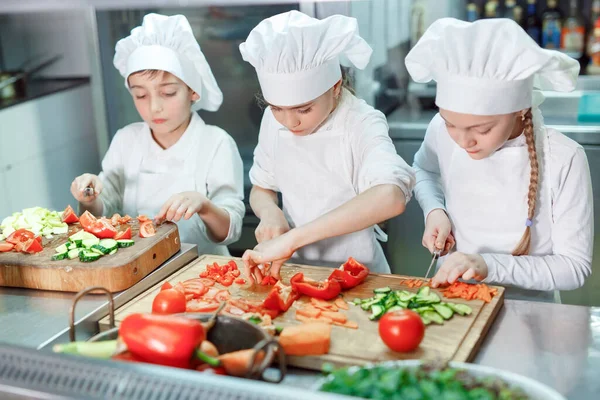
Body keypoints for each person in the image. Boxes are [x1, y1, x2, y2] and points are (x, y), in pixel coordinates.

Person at [407, 18, 593, 302]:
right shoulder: (439, 131)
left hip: (530, 317)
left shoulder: (564, 158)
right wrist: (435, 210)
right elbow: (423, 170)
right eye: (450, 123)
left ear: (520, 109)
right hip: (456, 301)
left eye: (482, 129)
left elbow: (574, 267)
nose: (463, 141)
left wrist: (487, 265)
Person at [239, 11, 415, 283]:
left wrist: (294, 238)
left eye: (304, 108)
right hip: (294, 273)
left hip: (360, 275)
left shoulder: (361, 122)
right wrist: (271, 213)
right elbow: (262, 188)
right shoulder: (273, 122)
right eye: (276, 108)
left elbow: (391, 196)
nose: (289, 121)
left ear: (334, 87)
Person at [70, 14, 245, 256]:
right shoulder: (126, 139)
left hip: (201, 273)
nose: (154, 107)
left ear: (193, 91)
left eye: (169, 93)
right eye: (141, 95)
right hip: (137, 268)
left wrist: (204, 206)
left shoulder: (216, 143)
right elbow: (104, 208)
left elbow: (230, 230)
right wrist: (88, 197)